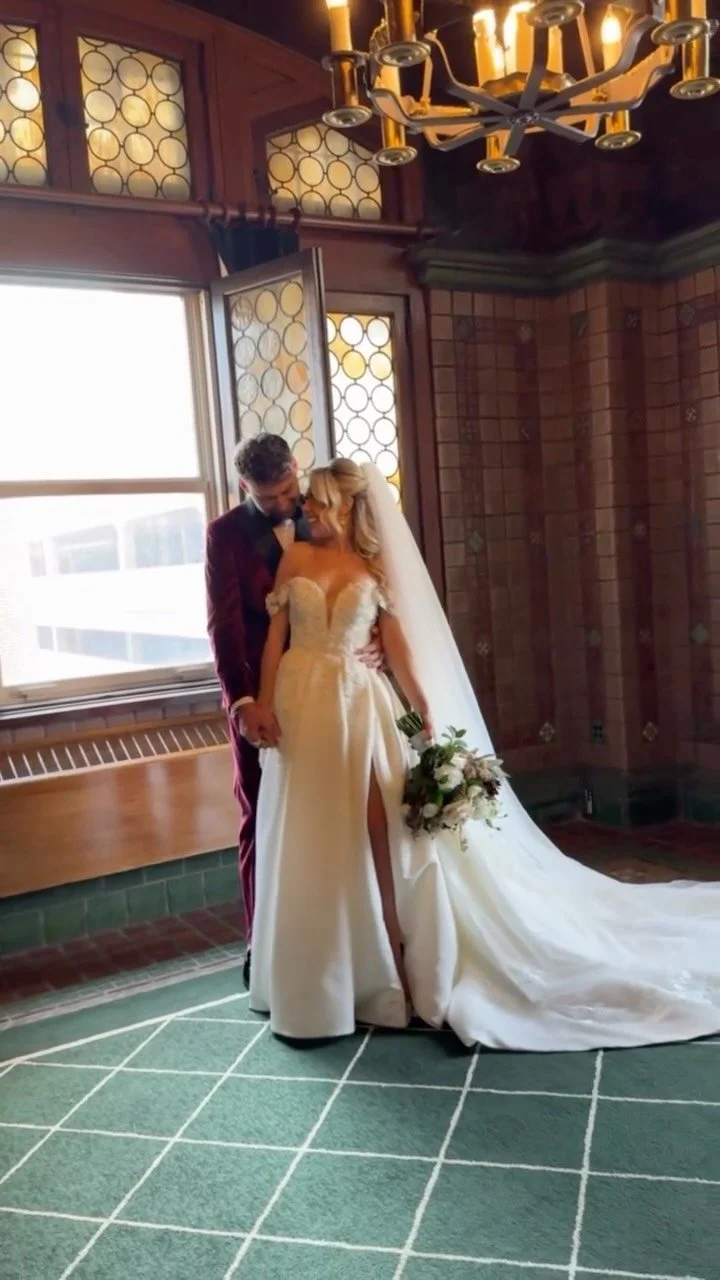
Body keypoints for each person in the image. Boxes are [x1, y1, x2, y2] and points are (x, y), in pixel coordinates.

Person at [250, 457, 720, 1049]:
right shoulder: (294, 557)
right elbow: (274, 641)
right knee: (309, 833)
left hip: (358, 704)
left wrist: (425, 719)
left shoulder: (373, 567)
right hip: (300, 704)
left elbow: (398, 650)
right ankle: (313, 976)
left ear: (345, 508)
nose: (308, 508)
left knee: (376, 833)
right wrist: (263, 704)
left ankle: (391, 963)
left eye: (318, 500)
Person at [205, 436, 380, 987]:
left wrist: (373, 640)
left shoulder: (325, 512)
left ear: (297, 470)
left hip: (335, 691)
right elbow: (225, 626)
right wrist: (243, 703)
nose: (285, 504)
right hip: (263, 697)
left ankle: (346, 937)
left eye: (288, 490)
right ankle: (263, 942)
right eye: (269, 497)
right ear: (244, 486)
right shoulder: (225, 535)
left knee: (342, 806)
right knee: (263, 812)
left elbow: (365, 590)